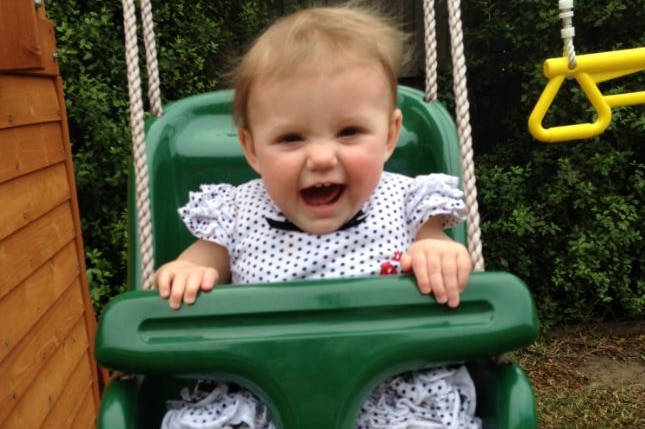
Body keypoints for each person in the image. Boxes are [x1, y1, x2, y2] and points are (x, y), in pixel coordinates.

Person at [157, 3, 481, 429]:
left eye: (348, 132)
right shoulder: (234, 211)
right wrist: (187, 272)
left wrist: (437, 253)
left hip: (391, 394)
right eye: (291, 138)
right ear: (252, 149)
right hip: (263, 395)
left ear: (389, 135)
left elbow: (435, 244)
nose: (322, 157)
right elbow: (202, 261)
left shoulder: (409, 201)